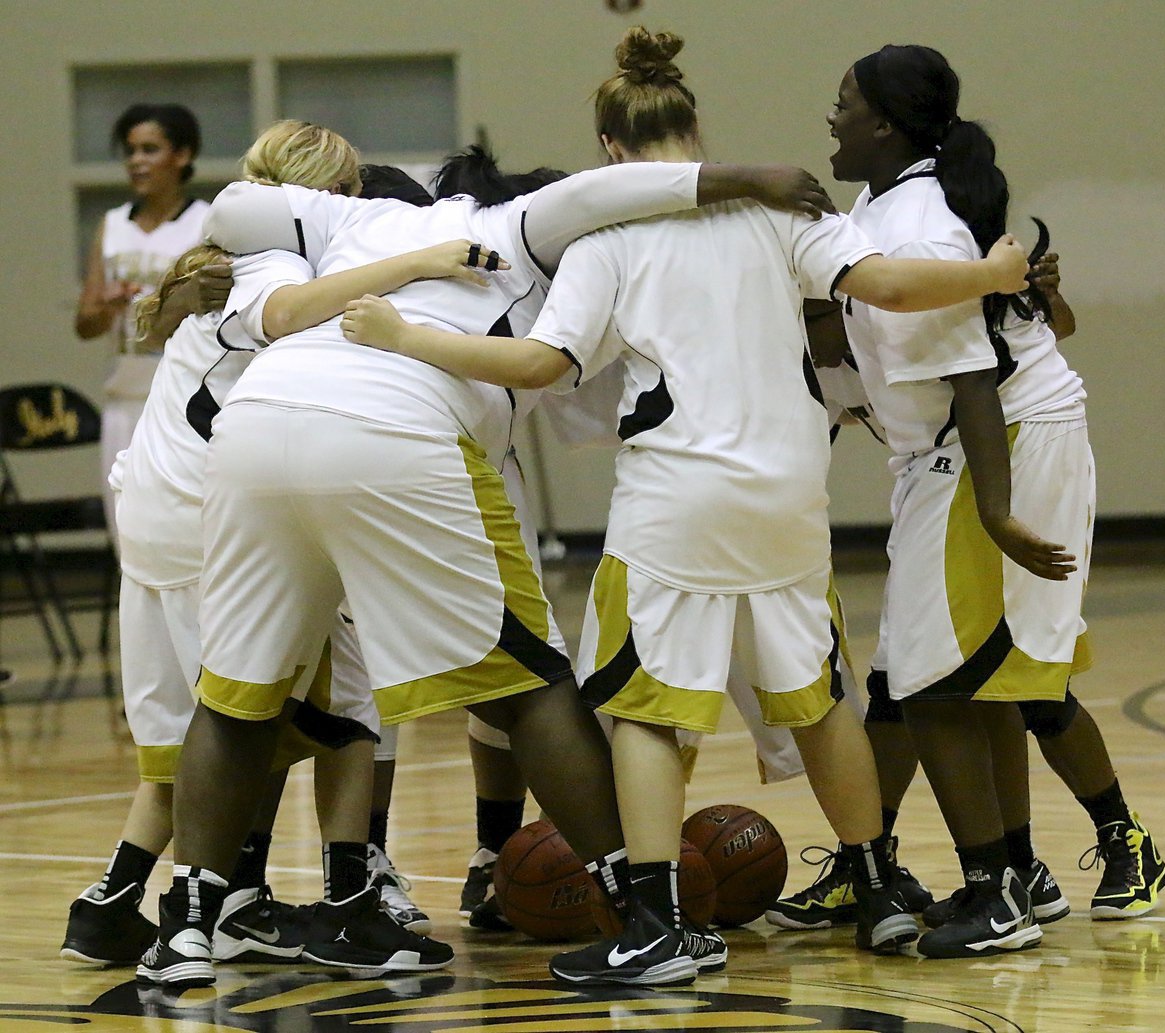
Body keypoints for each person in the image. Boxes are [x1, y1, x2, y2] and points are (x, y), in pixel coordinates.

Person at [340, 27, 1031, 986]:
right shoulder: (782, 209)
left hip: (677, 501)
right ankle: (878, 889)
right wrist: (993, 277)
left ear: (613, 154)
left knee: (646, 713)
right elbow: (889, 285)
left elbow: (546, 363)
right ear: (697, 127)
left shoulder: (610, 236)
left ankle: (660, 924)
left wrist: (407, 336)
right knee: (821, 698)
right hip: (789, 491)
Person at [138, 127, 840, 991]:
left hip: (256, 435)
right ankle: (650, 920)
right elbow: (603, 195)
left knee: (236, 693)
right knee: (529, 680)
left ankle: (186, 929)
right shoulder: (516, 225)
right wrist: (748, 173)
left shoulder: (345, 221)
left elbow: (234, 204)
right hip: (394, 430)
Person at [65, 124, 492, 976]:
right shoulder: (276, 267)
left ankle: (120, 901)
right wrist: (419, 262)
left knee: (206, 725)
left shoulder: (228, 254)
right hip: (205, 511)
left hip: (156, 505)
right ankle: (338, 904)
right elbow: (290, 314)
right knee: (331, 704)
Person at [806, 43, 1165, 959]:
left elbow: (970, 375)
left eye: (844, 102)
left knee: (941, 678)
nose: (831, 117)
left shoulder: (917, 224)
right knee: (960, 675)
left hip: (994, 443)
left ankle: (994, 890)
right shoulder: (882, 200)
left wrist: (999, 513)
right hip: (964, 445)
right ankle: (1011, 869)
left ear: (886, 123)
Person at [770, 245, 1165, 932]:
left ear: (836, 302)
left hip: (1014, 467)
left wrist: (1041, 291)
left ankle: (1123, 837)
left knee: (1025, 680)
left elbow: (1051, 327)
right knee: (903, 678)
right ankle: (875, 861)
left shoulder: (902, 300)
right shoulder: (818, 363)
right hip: (933, 489)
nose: (803, 324)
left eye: (808, 311)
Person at [75, 104, 211, 535]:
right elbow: (85, 324)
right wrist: (107, 305)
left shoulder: (205, 222)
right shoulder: (112, 225)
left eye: (149, 149)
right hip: (124, 399)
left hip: (183, 396)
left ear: (183, 155)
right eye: (130, 151)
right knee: (126, 536)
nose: (136, 161)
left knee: (187, 533)